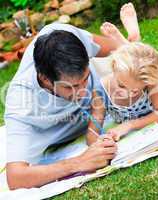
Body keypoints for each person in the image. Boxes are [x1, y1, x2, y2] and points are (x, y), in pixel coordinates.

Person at [5, 2, 141, 190]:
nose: (82, 90)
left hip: (104, 95)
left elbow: (117, 49)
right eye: (71, 87)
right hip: (78, 125)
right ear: (45, 79)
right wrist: (79, 162)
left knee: (138, 63)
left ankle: (134, 38)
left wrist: (129, 48)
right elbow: (16, 178)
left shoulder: (63, 35)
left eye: (85, 79)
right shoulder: (21, 103)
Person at [86, 23, 158, 144]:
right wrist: (100, 143)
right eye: (121, 85)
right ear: (113, 69)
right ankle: (130, 45)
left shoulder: (150, 82)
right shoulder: (100, 90)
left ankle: (129, 44)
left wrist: (129, 125)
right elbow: (92, 132)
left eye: (135, 90)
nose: (126, 93)